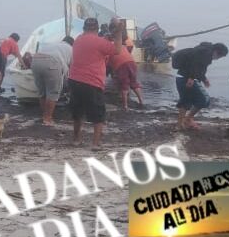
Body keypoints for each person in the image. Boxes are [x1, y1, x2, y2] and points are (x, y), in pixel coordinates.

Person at [68, 17, 123, 147]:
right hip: (92, 82)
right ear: (97, 29)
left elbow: (93, 44)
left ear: (84, 28)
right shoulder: (100, 42)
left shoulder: (78, 39)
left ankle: (76, 139)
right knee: (98, 114)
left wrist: (108, 37)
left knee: (78, 112)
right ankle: (95, 143)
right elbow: (117, 50)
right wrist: (119, 33)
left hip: (74, 80)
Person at [172, 42, 228, 130]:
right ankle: (184, 122)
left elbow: (200, 67)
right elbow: (195, 65)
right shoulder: (206, 53)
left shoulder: (204, 51)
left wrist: (204, 79)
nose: (218, 59)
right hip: (185, 78)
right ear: (216, 52)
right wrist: (191, 78)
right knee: (202, 100)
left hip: (182, 77)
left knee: (188, 100)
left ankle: (183, 122)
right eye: (219, 56)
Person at [31, 36, 74, 125]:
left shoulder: (53, 44)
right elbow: (72, 67)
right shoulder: (71, 48)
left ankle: (44, 115)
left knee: (42, 92)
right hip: (52, 62)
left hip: (35, 60)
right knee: (52, 93)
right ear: (72, 44)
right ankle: (47, 118)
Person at [108, 35, 144, 109]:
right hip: (132, 63)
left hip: (121, 65)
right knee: (134, 82)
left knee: (124, 85)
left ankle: (125, 106)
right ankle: (141, 101)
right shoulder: (121, 45)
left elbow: (107, 64)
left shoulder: (107, 48)